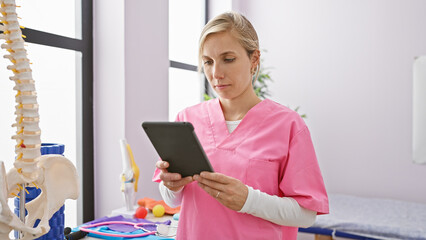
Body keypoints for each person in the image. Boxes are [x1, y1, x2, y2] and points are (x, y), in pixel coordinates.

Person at [153, 11, 328, 239]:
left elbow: (306, 214)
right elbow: (172, 200)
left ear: (254, 59)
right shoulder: (187, 120)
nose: (216, 73)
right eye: (208, 62)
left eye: (228, 59)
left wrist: (249, 200)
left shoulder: (288, 125)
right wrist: (171, 186)